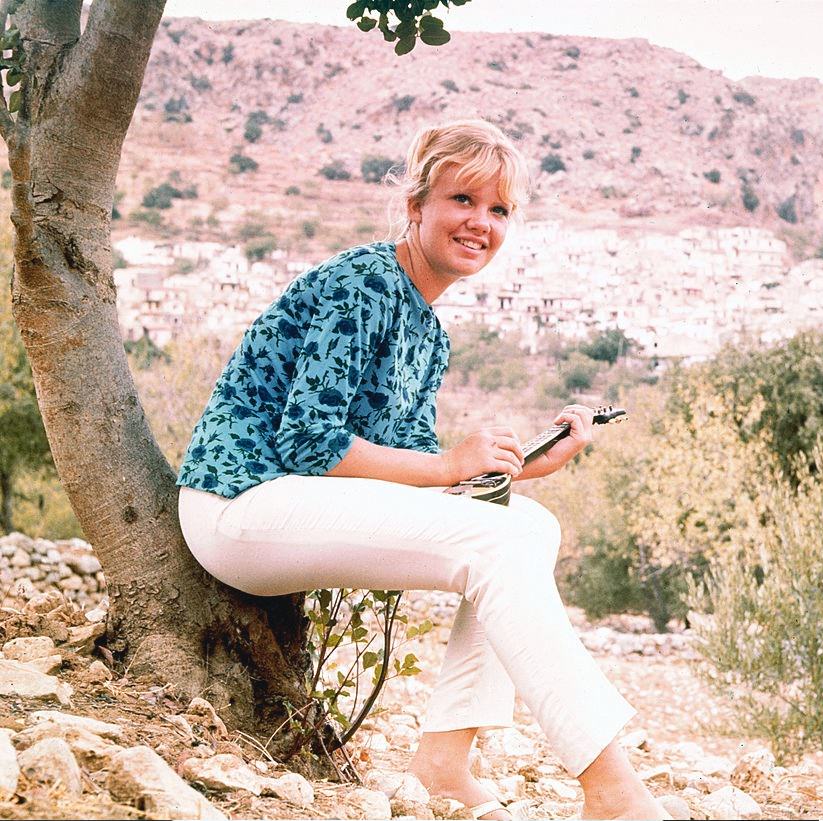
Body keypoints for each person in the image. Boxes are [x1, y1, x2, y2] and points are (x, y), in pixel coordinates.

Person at [176, 119, 670, 820]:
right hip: (239, 501)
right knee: (498, 539)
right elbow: (309, 443)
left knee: (525, 525)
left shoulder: (428, 332)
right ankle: (614, 791)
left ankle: (444, 760)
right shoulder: (364, 284)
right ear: (416, 206)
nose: (481, 222)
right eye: (462, 199)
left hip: (292, 503)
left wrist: (524, 469)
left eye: (499, 209)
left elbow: (421, 479)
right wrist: (448, 462)